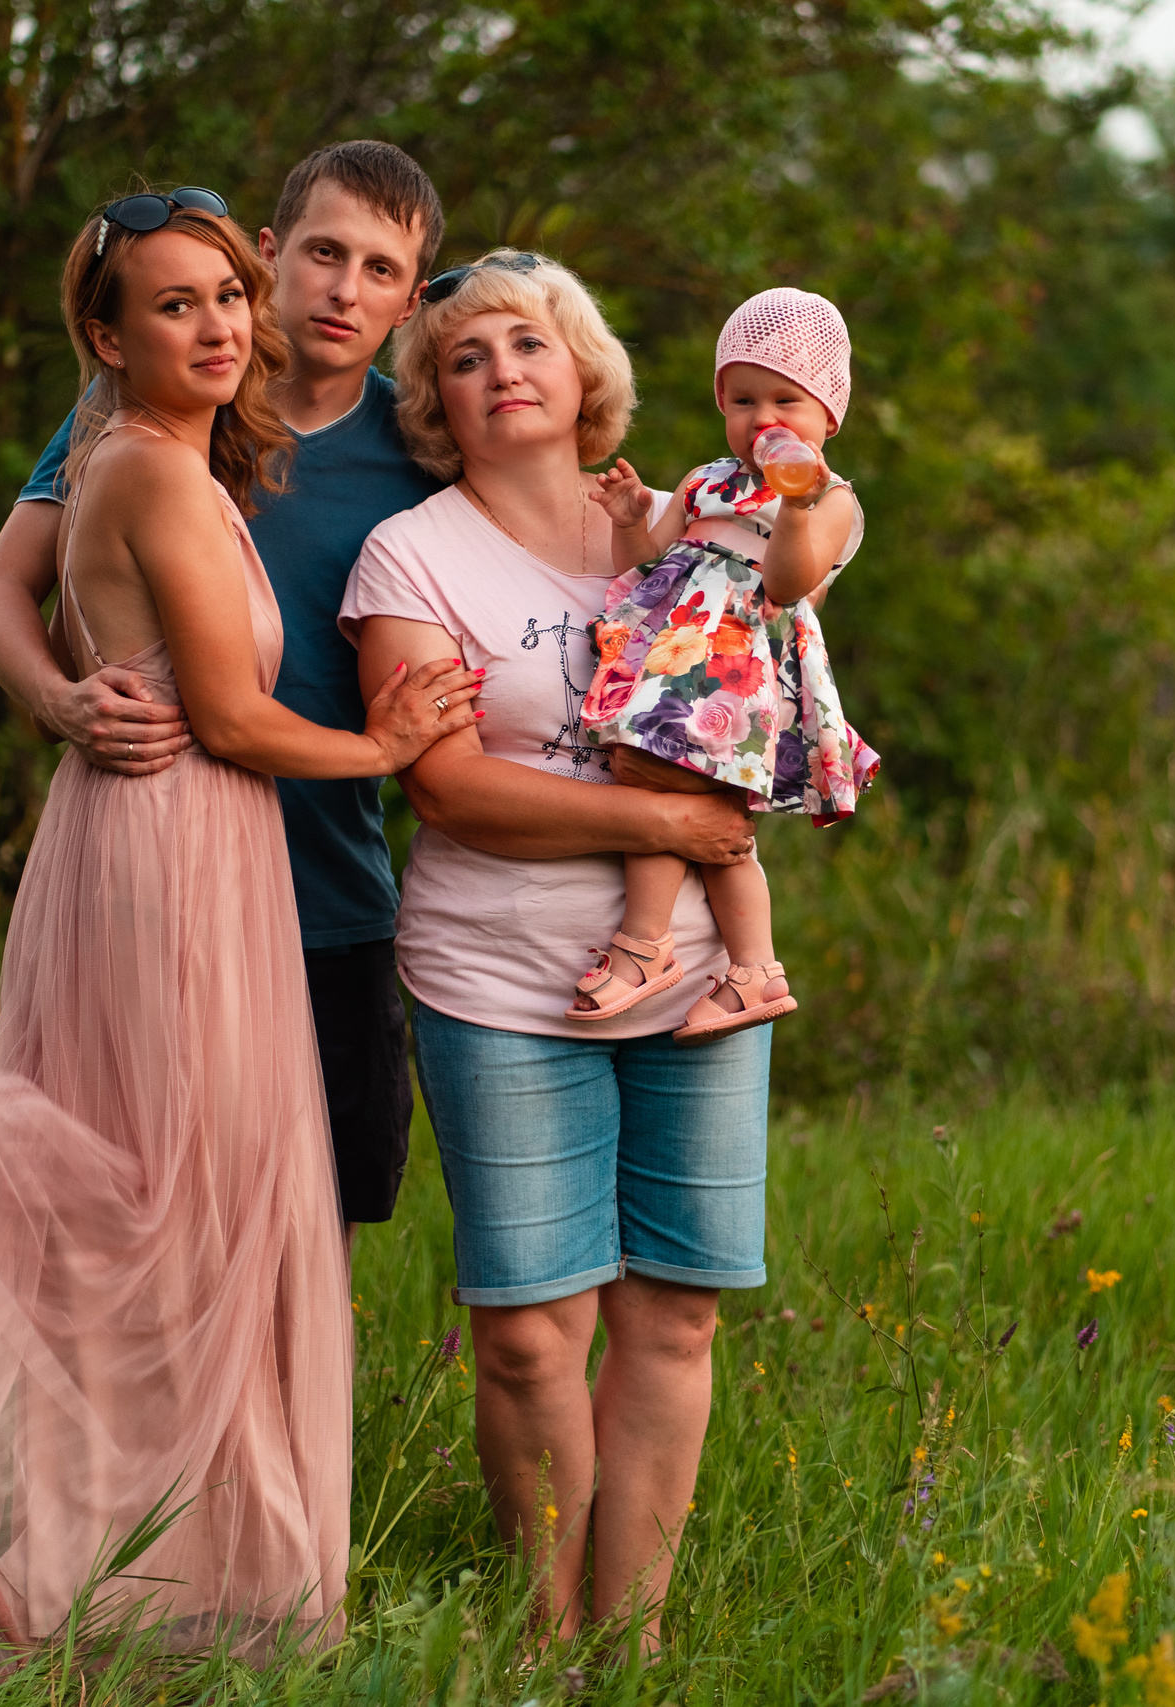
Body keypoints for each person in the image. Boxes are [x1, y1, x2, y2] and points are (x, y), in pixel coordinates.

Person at [0, 187, 479, 1682]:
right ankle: (68, 1557)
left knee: (179, 1207)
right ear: (104, 331)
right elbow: (229, 714)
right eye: (177, 302)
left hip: (186, 850)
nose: (218, 323)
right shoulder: (140, 466)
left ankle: (151, 1556)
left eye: (224, 297)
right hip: (176, 849)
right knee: (168, 1206)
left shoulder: (198, 450)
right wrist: (385, 745)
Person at [337, 250, 765, 1650]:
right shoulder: (412, 556)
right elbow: (449, 787)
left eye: (528, 342)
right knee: (528, 1326)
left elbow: (778, 648)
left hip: (699, 971)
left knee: (679, 1311)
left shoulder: (679, 529)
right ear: (436, 403)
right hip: (497, 980)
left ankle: (624, 1642)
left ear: (585, 372)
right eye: (465, 358)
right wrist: (664, 817)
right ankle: (544, 1631)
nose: (501, 371)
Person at [0, 140, 446, 1232]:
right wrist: (60, 701)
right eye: (323, 252)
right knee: (144, 1223)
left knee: (314, 1230)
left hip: (329, 896)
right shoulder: (149, 401)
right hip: (165, 885)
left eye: (379, 270)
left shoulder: (425, 448)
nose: (341, 289)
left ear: (410, 302)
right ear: (272, 252)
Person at [573, 287, 880, 1042]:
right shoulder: (705, 480)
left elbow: (786, 585)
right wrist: (626, 523)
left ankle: (647, 947)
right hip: (676, 659)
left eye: (787, 400)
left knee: (658, 782)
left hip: (739, 669)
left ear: (828, 418)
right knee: (703, 810)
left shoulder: (830, 499)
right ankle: (754, 970)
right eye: (742, 399)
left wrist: (797, 504)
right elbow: (649, 564)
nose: (762, 418)